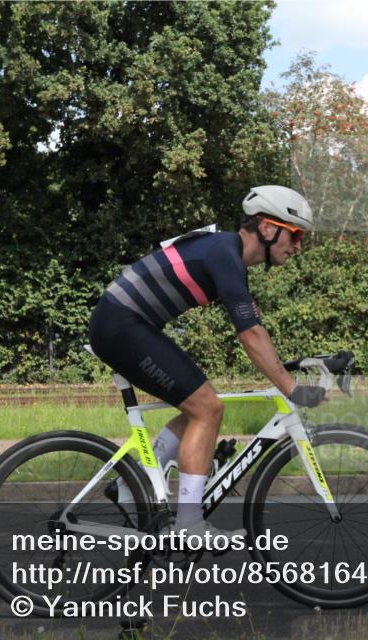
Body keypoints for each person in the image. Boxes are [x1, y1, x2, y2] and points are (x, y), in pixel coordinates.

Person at [88, 185, 327, 539]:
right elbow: (250, 336)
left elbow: (254, 330)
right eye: (294, 235)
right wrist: (291, 388)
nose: (298, 247)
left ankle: (133, 483)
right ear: (266, 228)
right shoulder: (223, 254)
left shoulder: (226, 254)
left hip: (124, 324)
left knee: (196, 406)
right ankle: (189, 524)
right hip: (121, 326)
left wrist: (284, 368)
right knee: (207, 408)